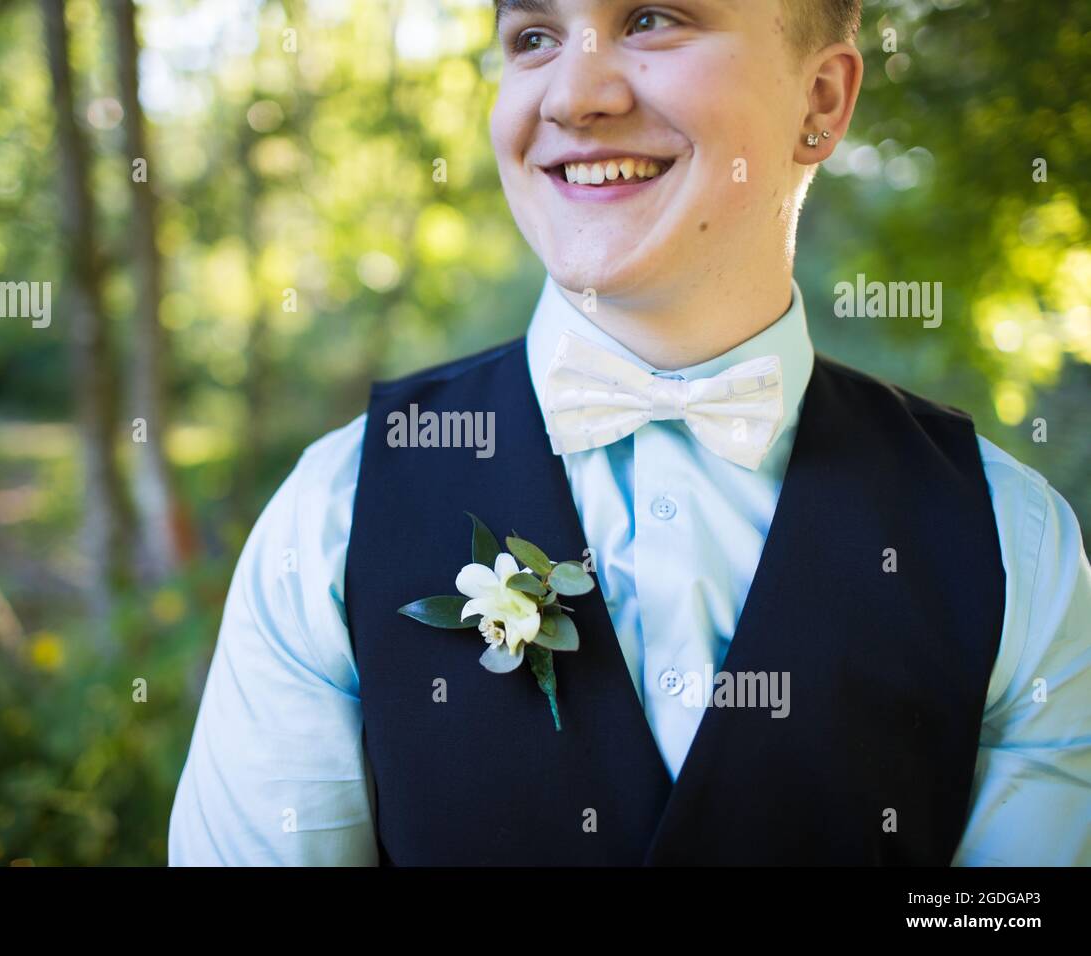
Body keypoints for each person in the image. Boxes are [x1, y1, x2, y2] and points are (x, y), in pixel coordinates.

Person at [169, 0, 1091, 865]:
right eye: (534, 36)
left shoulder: (1016, 544)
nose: (573, 95)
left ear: (821, 99)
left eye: (651, 18)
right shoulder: (333, 516)